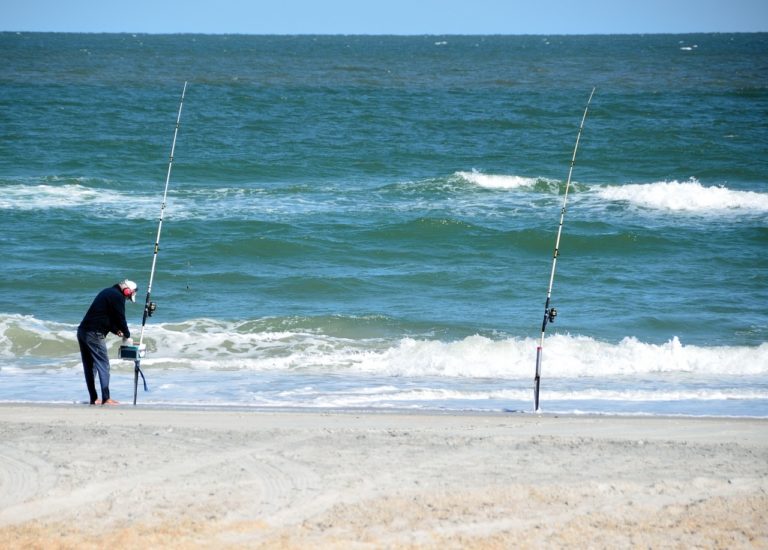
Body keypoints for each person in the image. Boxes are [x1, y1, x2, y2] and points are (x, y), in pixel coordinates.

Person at [77, 279, 137, 405]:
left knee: (90, 367)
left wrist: (117, 331)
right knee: (103, 365)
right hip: (94, 334)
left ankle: (93, 398)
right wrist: (127, 334)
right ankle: (106, 398)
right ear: (127, 291)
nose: (127, 299)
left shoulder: (107, 292)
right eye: (128, 297)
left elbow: (105, 318)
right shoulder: (117, 297)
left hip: (83, 332)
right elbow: (120, 318)